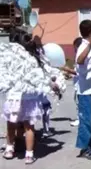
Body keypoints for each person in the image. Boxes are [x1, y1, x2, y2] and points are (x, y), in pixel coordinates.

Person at [2, 33, 63, 164]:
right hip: (30, 98)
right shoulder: (35, 59)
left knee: (11, 124)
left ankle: (9, 149)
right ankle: (29, 155)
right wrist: (54, 85)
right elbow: (44, 76)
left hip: (14, 96)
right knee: (29, 127)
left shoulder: (10, 57)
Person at [75, 20, 91, 160]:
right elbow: (79, 60)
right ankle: (85, 149)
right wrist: (90, 46)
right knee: (86, 120)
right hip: (85, 91)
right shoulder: (83, 46)